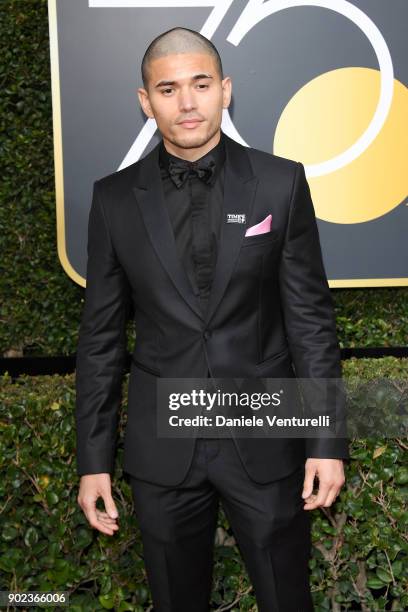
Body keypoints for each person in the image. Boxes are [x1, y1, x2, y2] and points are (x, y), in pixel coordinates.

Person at [76, 27, 349, 611]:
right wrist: (93, 461)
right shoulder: (114, 200)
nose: (187, 102)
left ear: (226, 90)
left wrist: (327, 440)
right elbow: (100, 339)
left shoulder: (280, 183)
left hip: (265, 441)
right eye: (168, 89)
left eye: (201, 84)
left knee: (286, 599)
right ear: (145, 102)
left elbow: (311, 323)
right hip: (162, 451)